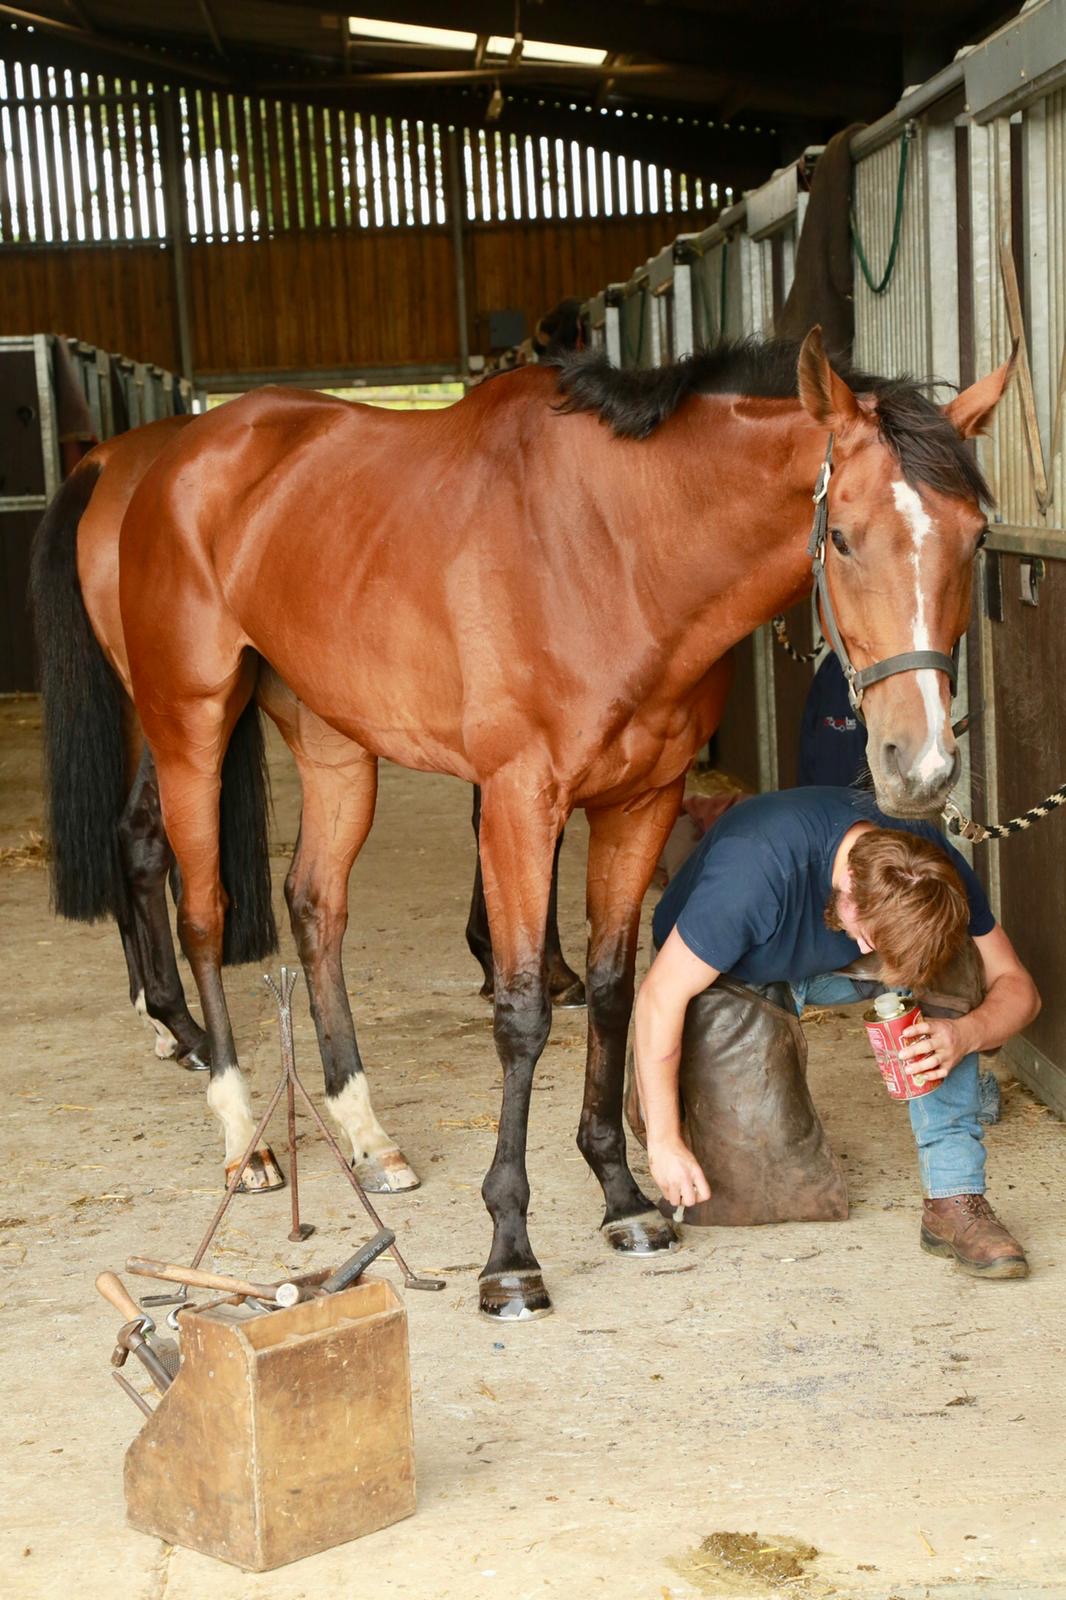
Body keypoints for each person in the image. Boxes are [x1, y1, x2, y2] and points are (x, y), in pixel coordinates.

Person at [633, 785, 1040, 1280]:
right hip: (734, 977)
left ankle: (954, 1197)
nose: (885, 962)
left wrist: (964, 1033)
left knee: (952, 955)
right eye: (872, 937)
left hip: (832, 963)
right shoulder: (751, 876)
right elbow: (658, 998)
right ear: (848, 883)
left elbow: (1020, 988)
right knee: (760, 1194)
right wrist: (664, 1142)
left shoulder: (927, 864)